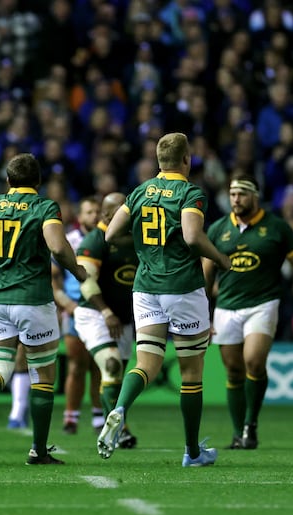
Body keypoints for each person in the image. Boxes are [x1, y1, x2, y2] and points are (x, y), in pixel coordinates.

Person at [97, 132, 231, 466]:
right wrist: (221, 259)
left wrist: (142, 245)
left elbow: (111, 234)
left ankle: (120, 409)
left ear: (159, 161)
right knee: (191, 372)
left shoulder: (140, 191)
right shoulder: (190, 193)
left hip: (145, 288)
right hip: (183, 287)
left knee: (146, 365)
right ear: (187, 159)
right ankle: (192, 452)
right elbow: (192, 236)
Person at [0, 152, 87, 465]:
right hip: (32, 299)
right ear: (38, 181)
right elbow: (56, 246)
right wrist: (77, 271)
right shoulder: (44, 207)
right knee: (42, 375)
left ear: (8, 181)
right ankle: (38, 450)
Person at [203, 174, 293, 449]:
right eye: (232, 194)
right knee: (232, 370)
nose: (236, 200)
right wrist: (202, 315)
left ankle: (250, 424)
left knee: (253, 360)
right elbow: (206, 272)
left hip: (263, 303)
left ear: (255, 196)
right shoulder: (218, 229)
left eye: (241, 194)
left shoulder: (277, 227)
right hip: (227, 306)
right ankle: (236, 432)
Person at [74, 192, 139, 448]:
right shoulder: (95, 240)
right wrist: (106, 312)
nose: (127, 215)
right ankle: (119, 430)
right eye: (121, 210)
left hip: (124, 319)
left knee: (117, 376)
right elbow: (86, 282)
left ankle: (112, 423)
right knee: (111, 364)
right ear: (107, 215)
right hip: (95, 314)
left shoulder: (136, 237)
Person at [51, 196, 104, 435]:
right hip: (76, 310)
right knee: (76, 365)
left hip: (101, 309)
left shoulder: (106, 240)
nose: (94, 215)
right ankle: (70, 417)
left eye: (97, 211)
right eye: (89, 211)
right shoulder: (68, 241)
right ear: (80, 217)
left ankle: (98, 416)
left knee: (99, 366)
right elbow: (52, 278)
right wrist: (66, 303)